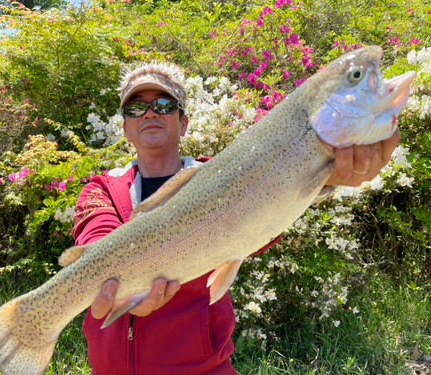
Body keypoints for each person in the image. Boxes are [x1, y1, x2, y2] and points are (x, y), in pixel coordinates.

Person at [72, 62, 400, 375]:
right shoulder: (99, 189)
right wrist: (121, 292)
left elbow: (261, 224)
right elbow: (97, 248)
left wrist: (323, 177)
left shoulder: (225, 176)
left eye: (163, 103)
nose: (149, 112)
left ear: (183, 122)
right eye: (135, 108)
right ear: (126, 127)